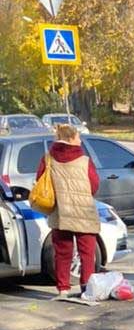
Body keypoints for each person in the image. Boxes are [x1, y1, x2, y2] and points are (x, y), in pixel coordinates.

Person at [36, 124, 100, 301]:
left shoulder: (48, 158)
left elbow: (40, 181)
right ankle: (86, 289)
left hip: (60, 212)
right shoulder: (84, 160)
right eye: (78, 137)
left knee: (63, 252)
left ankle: (63, 289)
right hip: (83, 211)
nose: (80, 140)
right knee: (87, 252)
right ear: (71, 138)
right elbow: (94, 186)